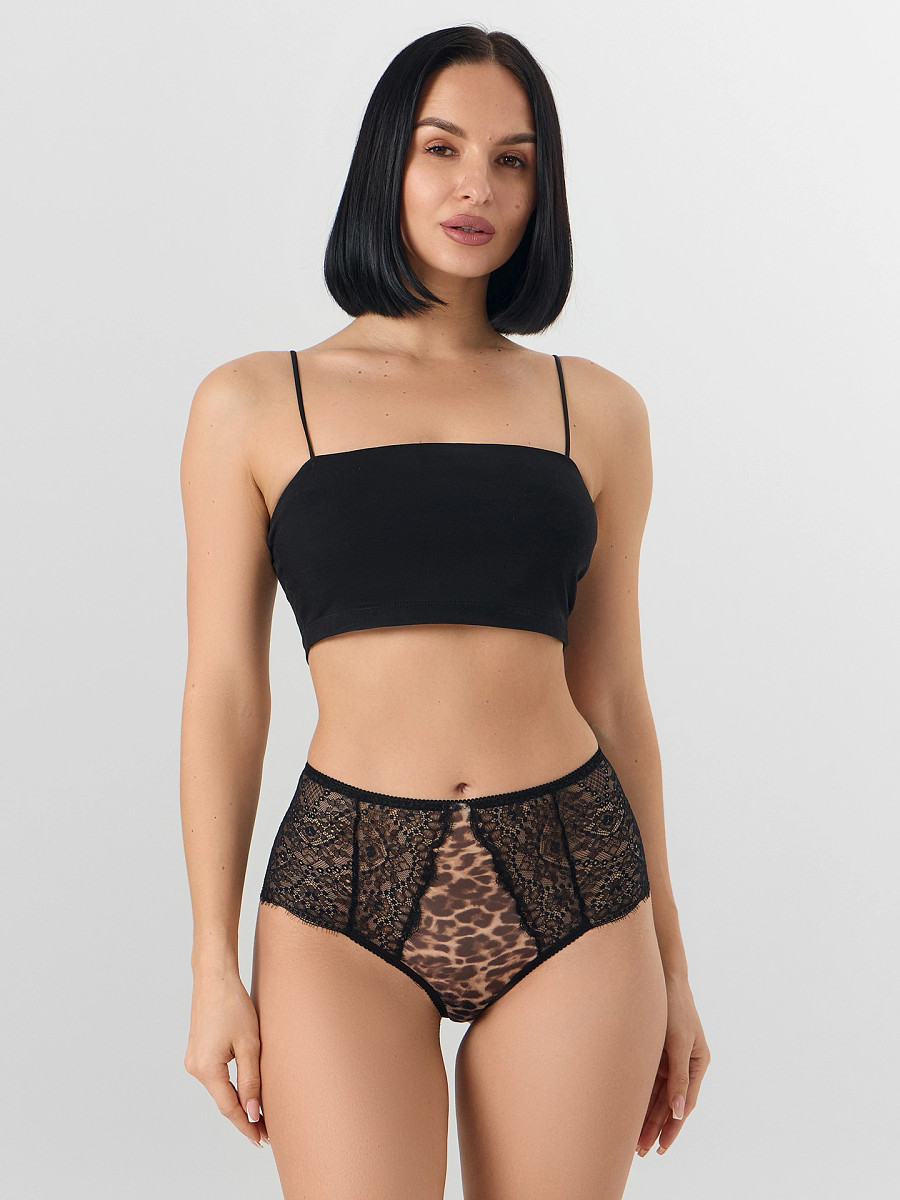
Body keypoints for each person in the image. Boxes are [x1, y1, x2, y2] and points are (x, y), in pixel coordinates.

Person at [179, 24, 710, 1200]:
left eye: (514, 160)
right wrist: (213, 965)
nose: (479, 186)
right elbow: (224, 690)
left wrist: (674, 964)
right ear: (389, 162)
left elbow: (616, 692)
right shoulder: (253, 403)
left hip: (576, 879)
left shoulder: (597, 409)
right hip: (342, 890)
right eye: (443, 148)